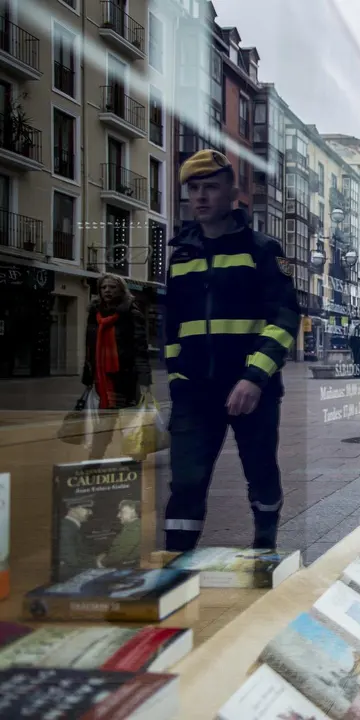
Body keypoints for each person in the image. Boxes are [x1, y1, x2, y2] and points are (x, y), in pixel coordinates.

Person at [163, 149, 300, 552]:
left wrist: (254, 378)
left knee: (260, 472)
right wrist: (177, 379)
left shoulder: (264, 250)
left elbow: (284, 318)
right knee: (185, 482)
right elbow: (171, 328)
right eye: (194, 189)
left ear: (232, 192)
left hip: (251, 391)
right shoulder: (181, 255)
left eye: (211, 187)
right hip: (194, 392)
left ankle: (264, 545)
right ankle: (176, 561)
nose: (201, 196)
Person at [81, 273, 151, 459]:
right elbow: (89, 347)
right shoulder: (94, 315)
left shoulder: (131, 313)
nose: (107, 291)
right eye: (104, 287)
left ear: (121, 290)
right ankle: (94, 461)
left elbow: (140, 349)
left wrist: (144, 381)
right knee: (104, 422)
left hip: (126, 377)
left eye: (112, 287)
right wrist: (88, 376)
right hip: (102, 378)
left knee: (129, 423)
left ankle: (131, 461)